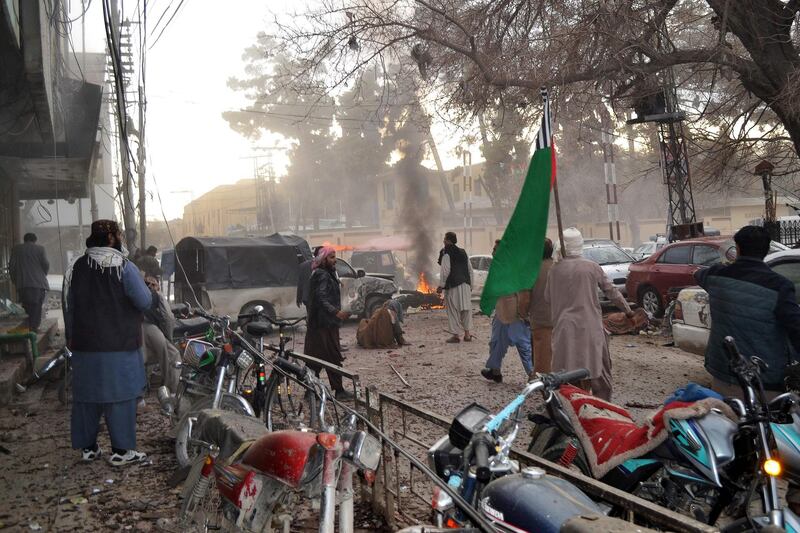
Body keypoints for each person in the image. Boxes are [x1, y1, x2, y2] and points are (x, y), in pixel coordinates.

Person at [64, 219, 155, 466]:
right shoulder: (123, 267)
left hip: (84, 346)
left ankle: (89, 448)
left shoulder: (77, 267)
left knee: (87, 398)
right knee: (120, 398)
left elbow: (69, 307)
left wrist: (71, 340)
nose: (122, 239)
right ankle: (121, 452)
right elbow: (144, 302)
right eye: (120, 235)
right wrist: (149, 287)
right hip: (119, 347)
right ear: (112, 238)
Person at [695, 225, 800, 398]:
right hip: (765, 380)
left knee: (730, 421)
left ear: (737, 248)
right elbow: (796, 329)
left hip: (724, 375)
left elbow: (698, 274)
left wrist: (730, 262)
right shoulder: (780, 286)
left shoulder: (715, 277)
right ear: (766, 250)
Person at [546, 228, 633, 401]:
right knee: (600, 374)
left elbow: (548, 298)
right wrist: (628, 311)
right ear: (580, 245)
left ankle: (573, 409)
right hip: (590, 327)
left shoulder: (554, 270)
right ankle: (602, 410)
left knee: (567, 375)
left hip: (564, 329)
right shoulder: (591, 267)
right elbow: (612, 292)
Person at [305, 246, 353, 400]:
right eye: (331, 257)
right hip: (323, 325)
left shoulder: (325, 273)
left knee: (315, 358)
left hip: (321, 324)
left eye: (334, 257)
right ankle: (338, 391)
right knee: (331, 356)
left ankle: (310, 390)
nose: (334, 260)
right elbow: (321, 297)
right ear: (323, 259)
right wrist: (336, 312)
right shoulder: (322, 275)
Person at [481, 240, 532, 382]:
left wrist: (523, 312)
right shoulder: (498, 268)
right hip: (501, 312)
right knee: (496, 342)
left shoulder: (513, 268)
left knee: (523, 344)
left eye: (495, 249)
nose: (492, 252)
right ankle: (495, 371)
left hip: (515, 313)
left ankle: (533, 375)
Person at [141, 275, 181, 408]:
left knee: (142, 359)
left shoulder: (137, 293)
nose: (151, 286)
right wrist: (169, 337)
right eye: (150, 283)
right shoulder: (157, 295)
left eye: (153, 284)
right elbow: (168, 318)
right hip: (151, 329)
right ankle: (171, 393)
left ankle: (140, 395)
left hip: (135, 328)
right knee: (173, 355)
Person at [437, 232, 473, 343]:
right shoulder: (463, 252)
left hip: (453, 286)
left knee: (453, 311)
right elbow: (470, 270)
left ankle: (456, 336)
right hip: (465, 285)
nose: (443, 241)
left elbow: (445, 271)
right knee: (466, 310)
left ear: (448, 240)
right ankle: (467, 335)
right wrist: (470, 285)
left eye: (444, 239)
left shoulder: (446, 253)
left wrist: (441, 285)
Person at [8, 233, 49, 332]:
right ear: (35, 240)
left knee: (27, 307)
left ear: (24, 239)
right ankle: (33, 329)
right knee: (36, 307)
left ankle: (30, 328)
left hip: (23, 284)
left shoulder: (16, 249)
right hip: (38, 284)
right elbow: (46, 264)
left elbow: (12, 268)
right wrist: (42, 275)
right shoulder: (40, 249)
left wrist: (16, 281)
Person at [529, 238, 555, 375]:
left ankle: (541, 379)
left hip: (539, 318)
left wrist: (522, 313)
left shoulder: (532, 269)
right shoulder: (558, 267)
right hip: (558, 316)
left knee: (540, 354)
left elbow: (525, 297)